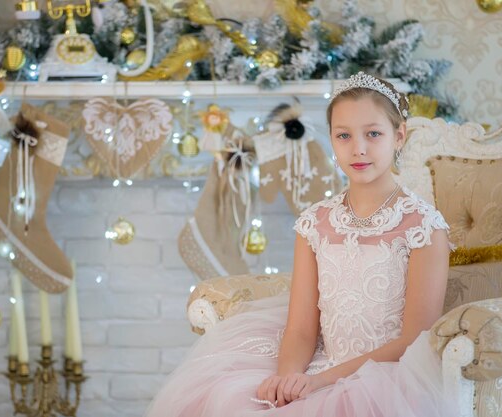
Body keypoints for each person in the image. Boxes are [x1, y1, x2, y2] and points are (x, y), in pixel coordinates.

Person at [145, 71, 456, 417]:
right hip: (316, 366)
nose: (359, 149)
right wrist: (289, 378)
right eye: (343, 136)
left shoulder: (423, 227)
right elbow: (301, 328)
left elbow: (414, 340)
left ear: (399, 136)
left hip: (387, 378)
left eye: (373, 134)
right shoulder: (315, 222)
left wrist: (322, 382)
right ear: (332, 140)